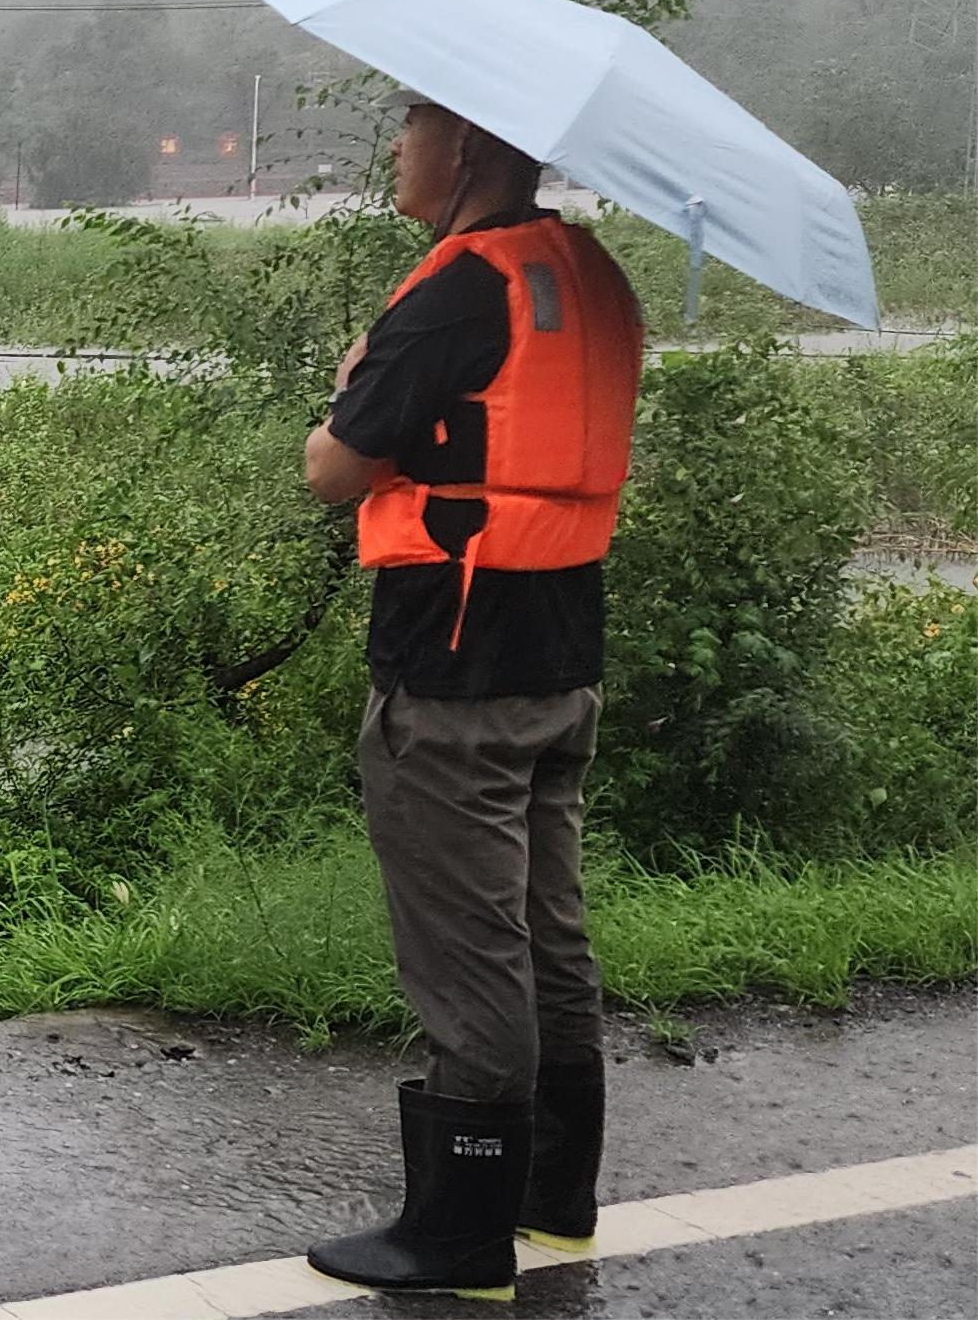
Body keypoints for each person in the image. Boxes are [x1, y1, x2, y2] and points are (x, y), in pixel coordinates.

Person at [300, 94, 643, 1302]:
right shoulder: (591, 274)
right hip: (561, 664)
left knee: (472, 946)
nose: (397, 149)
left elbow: (336, 470)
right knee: (549, 924)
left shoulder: (452, 287)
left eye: (413, 129)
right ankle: (556, 1196)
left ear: (472, 148)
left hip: (450, 677)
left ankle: (459, 1234)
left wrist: (352, 379)